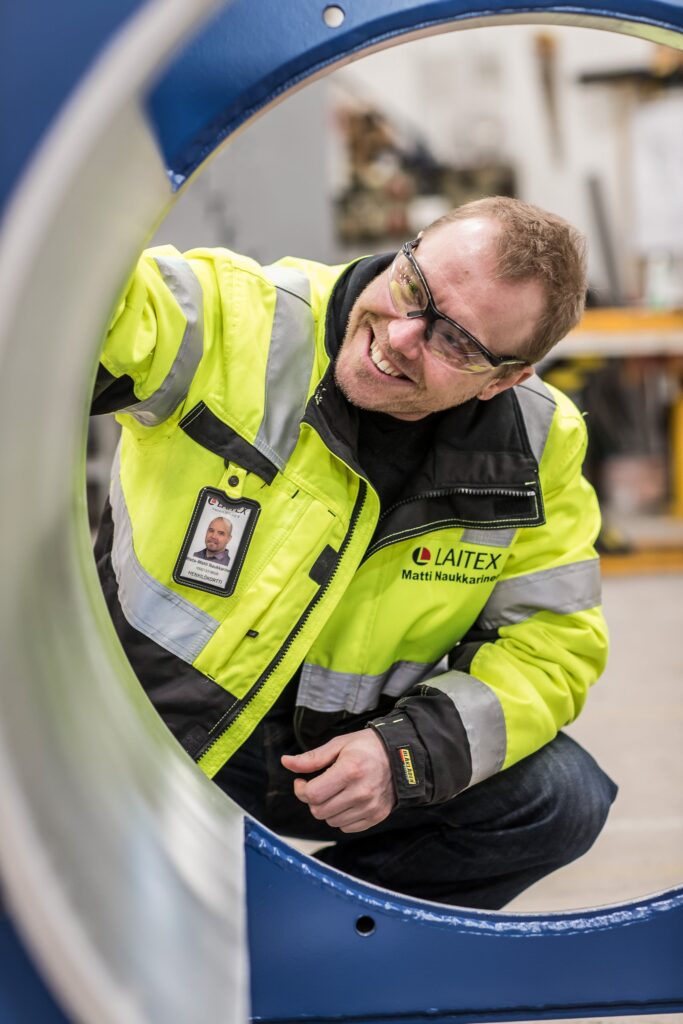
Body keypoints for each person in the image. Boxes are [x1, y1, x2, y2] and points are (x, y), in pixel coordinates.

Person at [92, 196, 616, 909]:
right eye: (414, 288)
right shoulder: (236, 317)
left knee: (560, 798)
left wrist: (403, 753)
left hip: (341, 762)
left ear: (503, 380)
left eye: (455, 342)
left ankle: (301, 942)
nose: (402, 337)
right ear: (408, 247)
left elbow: (551, 645)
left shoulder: (538, 442)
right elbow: (98, 299)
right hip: (158, 722)